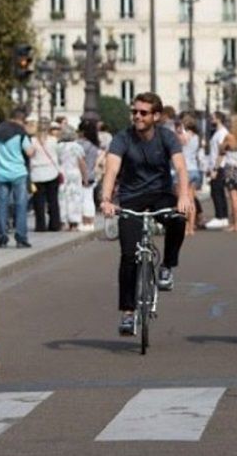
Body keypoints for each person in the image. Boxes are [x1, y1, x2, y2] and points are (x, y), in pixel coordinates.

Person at [100, 92, 193, 335]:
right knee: (128, 256)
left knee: (178, 219)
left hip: (160, 193)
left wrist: (183, 197)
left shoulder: (166, 137)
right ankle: (128, 313)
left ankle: (167, 266)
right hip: (131, 198)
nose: (138, 116)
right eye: (135, 112)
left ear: (156, 116)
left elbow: (181, 168)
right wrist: (106, 199)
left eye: (143, 113)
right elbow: (111, 170)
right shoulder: (123, 138)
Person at [0, 108, 34, 248]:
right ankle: (21, 238)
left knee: (2, 206)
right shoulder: (20, 133)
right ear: (20, 120)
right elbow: (29, 152)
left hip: (0, 173)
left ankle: (2, 237)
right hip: (18, 173)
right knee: (20, 206)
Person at [29, 120, 62, 232]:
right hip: (52, 171)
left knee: (39, 202)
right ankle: (55, 224)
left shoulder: (32, 141)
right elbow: (58, 155)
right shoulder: (53, 140)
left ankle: (40, 225)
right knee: (53, 200)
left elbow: (30, 155)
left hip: (37, 173)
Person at [177, 113, 205, 232]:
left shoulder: (182, 136)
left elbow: (178, 145)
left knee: (182, 199)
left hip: (185, 169)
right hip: (194, 169)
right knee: (192, 200)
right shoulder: (197, 137)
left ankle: (184, 226)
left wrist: (179, 131)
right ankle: (191, 227)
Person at [57, 126, 87, 231]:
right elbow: (82, 163)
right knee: (75, 197)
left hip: (61, 173)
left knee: (62, 197)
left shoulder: (58, 147)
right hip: (74, 172)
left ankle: (63, 221)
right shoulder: (77, 147)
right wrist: (85, 177)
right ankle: (74, 222)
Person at [77, 119, 104, 231]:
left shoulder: (80, 144)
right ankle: (90, 222)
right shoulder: (95, 145)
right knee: (89, 198)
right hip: (92, 173)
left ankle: (84, 221)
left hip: (82, 174)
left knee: (83, 199)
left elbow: (79, 160)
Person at [205, 112, 230, 229]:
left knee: (217, 191)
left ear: (219, 119)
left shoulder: (222, 133)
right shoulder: (217, 132)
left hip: (220, 166)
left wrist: (215, 168)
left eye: (213, 117)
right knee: (216, 191)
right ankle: (222, 217)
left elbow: (222, 152)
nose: (211, 119)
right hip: (215, 165)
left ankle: (220, 217)